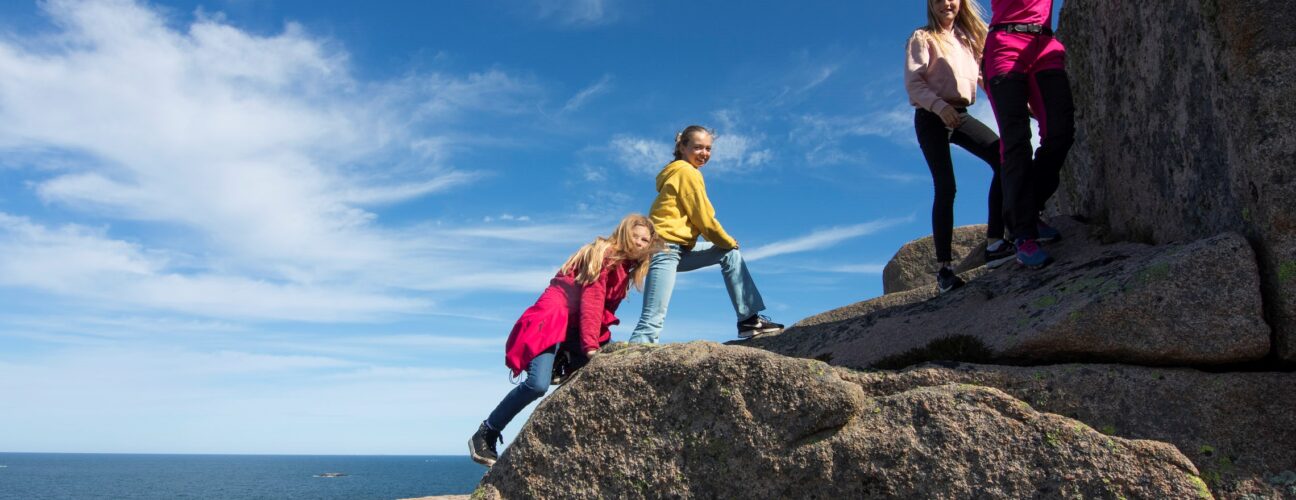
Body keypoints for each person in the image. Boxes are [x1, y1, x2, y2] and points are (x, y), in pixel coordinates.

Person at [468, 214, 663, 467]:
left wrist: (596, 345)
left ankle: (565, 358)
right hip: (552, 319)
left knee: (604, 354)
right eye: (635, 236)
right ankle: (487, 431)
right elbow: (592, 301)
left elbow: (602, 312)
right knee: (537, 384)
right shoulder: (605, 254)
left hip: (571, 328)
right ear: (625, 234)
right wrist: (591, 347)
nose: (639, 242)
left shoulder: (625, 268)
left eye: (645, 240)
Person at [627, 125, 783, 343]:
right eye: (698, 147)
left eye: (708, 149)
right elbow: (703, 218)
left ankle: (749, 321)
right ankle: (632, 361)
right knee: (651, 322)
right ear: (682, 147)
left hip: (680, 249)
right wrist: (727, 240)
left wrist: (726, 245)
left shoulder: (684, 171)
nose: (704, 153)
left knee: (729, 254)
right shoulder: (685, 171)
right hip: (664, 248)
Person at [905, 0, 1014, 293]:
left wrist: (1017, 102)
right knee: (946, 187)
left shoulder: (967, 41)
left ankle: (995, 243)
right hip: (931, 115)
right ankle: (944, 270)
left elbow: (984, 78)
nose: (946, 4)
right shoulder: (922, 37)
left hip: (959, 114)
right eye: (938, 0)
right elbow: (914, 83)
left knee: (1003, 157)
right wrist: (939, 108)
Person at [983, 0, 1075, 269]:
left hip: (1045, 47)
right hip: (1005, 46)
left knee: (1061, 132)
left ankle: (1028, 207)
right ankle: (1022, 234)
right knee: (1016, 141)